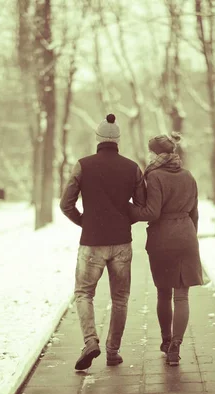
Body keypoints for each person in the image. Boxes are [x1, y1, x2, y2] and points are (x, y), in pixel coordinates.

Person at [60, 113, 146, 370]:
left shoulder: (83, 165)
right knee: (120, 297)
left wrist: (84, 222)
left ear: (97, 139)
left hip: (92, 242)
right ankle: (113, 351)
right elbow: (141, 205)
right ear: (118, 140)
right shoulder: (132, 168)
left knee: (84, 293)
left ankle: (90, 342)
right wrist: (122, 218)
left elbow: (66, 204)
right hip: (121, 243)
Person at [128, 132, 203, 366]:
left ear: (158, 154)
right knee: (182, 296)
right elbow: (195, 213)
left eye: (151, 151)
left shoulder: (155, 176)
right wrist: (189, 235)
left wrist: (126, 210)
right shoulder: (189, 176)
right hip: (187, 236)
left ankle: (166, 339)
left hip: (163, 238)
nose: (148, 155)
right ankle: (175, 347)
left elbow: (152, 213)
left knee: (163, 292)